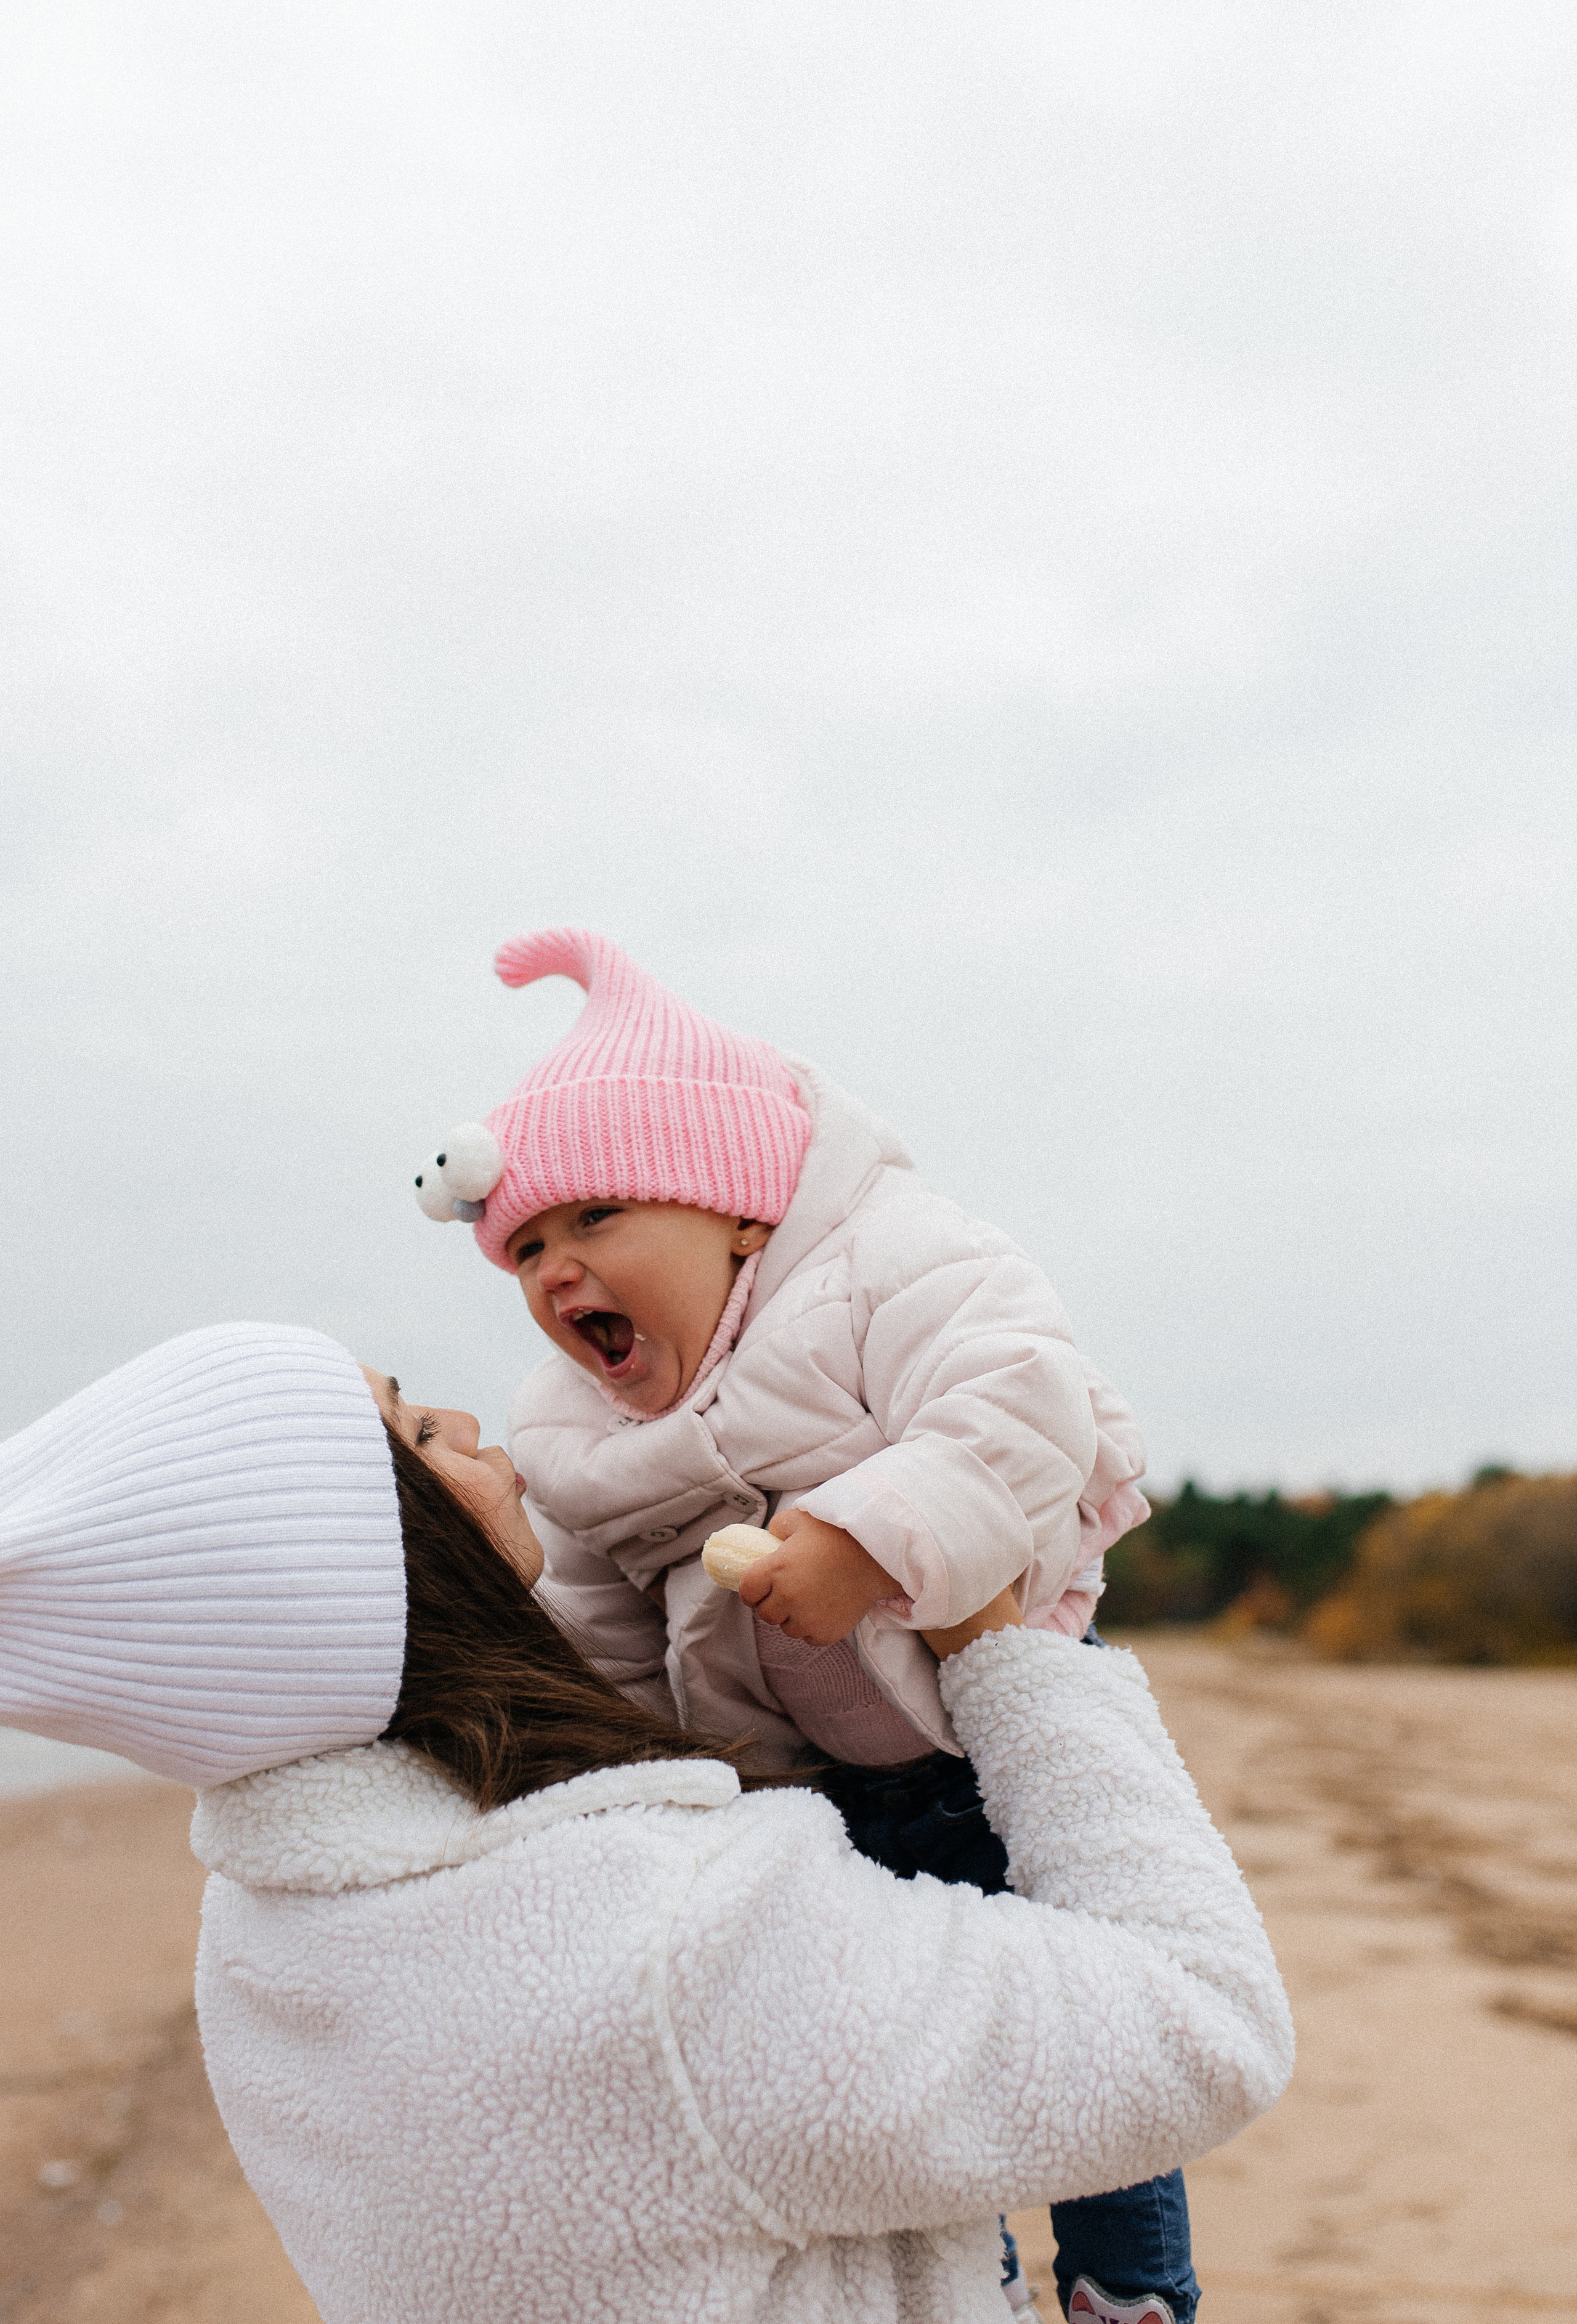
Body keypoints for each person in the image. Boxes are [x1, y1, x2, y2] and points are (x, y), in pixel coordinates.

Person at [0, 1322, 1292, 2324]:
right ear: (348, 1562)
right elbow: (1201, 2016)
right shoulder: (663, 1947)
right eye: (405, 1426)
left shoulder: (263, 1937)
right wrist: (996, 1651)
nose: (456, 1415)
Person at [410, 927, 1189, 2320]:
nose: (555, 1268)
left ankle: (1128, 2284)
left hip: (981, 1722)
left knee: (1080, 2015)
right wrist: (614, 1770)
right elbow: (596, 1610)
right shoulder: (570, 1424)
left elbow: (1021, 1406)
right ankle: (980, 2280)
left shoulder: (894, 1264)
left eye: (596, 1218)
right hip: (811, 1785)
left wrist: (859, 1538)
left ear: (740, 1214)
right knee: (922, 2052)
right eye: (524, 1244)